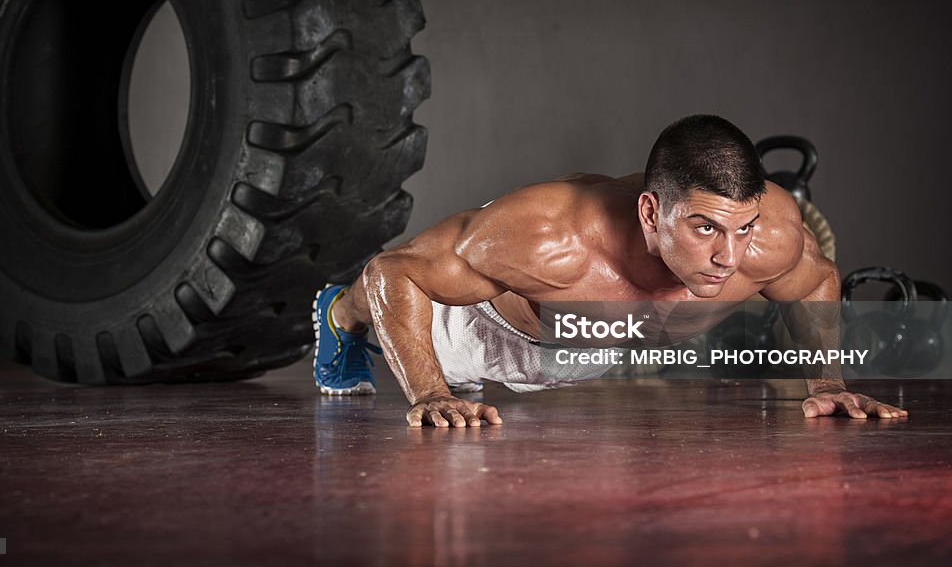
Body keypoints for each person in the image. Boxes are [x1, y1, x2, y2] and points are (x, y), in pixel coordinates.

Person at [310, 114, 909, 426]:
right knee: (392, 294)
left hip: (597, 340)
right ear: (651, 212)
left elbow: (816, 282)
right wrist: (429, 392)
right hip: (494, 326)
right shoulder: (550, 239)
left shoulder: (766, 238)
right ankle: (340, 317)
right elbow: (398, 273)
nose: (730, 257)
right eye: (705, 228)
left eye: (742, 227)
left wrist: (827, 385)